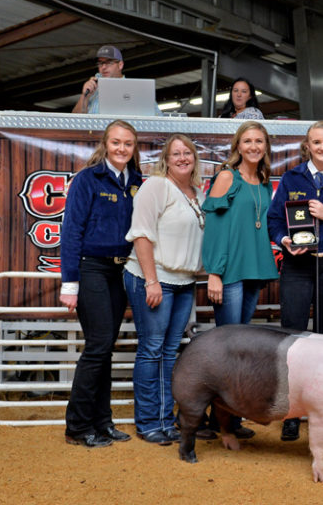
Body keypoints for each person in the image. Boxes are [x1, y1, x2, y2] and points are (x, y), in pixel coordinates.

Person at [267, 120, 323, 441]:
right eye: (316, 142)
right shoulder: (292, 178)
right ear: (307, 146)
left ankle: (322, 410)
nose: (322, 147)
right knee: (292, 338)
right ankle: (290, 413)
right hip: (297, 265)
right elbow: (275, 220)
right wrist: (284, 241)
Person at [59, 120, 142, 447]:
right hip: (91, 268)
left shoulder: (135, 181)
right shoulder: (88, 179)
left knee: (104, 348)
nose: (122, 149)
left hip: (121, 271)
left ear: (134, 148)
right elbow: (71, 232)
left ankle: (102, 421)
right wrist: (70, 283)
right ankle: (77, 427)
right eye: (116, 142)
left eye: (128, 144)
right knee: (97, 346)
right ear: (105, 144)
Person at [123, 134, 205, 445]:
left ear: (194, 158)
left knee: (169, 353)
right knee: (152, 350)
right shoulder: (156, 186)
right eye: (176, 153)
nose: (183, 157)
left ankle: (166, 419)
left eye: (188, 153)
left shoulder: (196, 193)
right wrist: (151, 280)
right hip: (154, 278)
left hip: (184, 282)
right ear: (166, 160)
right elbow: (141, 234)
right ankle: (147, 422)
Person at [200, 120, 279, 438]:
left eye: (259, 141)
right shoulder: (226, 177)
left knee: (240, 351)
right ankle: (217, 421)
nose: (254, 146)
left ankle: (227, 419)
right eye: (247, 141)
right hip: (229, 273)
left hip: (252, 273)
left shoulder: (262, 181)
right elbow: (215, 230)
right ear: (238, 146)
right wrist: (214, 273)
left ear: (266, 147)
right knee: (228, 351)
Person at [72, 45, 124, 114]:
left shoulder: (131, 89)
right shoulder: (93, 86)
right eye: (100, 63)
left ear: (120, 65)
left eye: (109, 62)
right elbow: (76, 119)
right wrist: (85, 96)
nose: (104, 67)